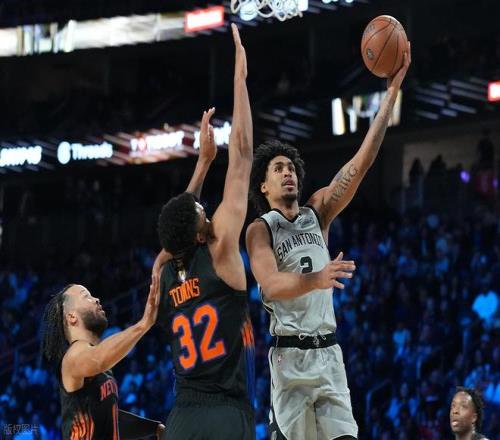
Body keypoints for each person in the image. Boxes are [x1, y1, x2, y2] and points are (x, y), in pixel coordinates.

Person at [245, 43, 411, 439]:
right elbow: (271, 285)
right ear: (264, 186)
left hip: (329, 356)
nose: (288, 173)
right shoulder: (260, 228)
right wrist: (316, 279)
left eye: (291, 168)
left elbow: (361, 163)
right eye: (278, 169)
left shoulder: (317, 211)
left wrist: (391, 93)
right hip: (289, 359)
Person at [156, 24, 255, 440]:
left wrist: (202, 164)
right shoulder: (221, 248)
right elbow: (244, 156)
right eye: (201, 211)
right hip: (226, 412)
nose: (204, 206)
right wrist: (239, 78)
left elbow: (173, 230)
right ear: (199, 235)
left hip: (183, 415)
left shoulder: (165, 273)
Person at [41, 282, 164, 439]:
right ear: (72, 317)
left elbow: (110, 418)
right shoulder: (72, 356)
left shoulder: (95, 365)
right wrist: (143, 324)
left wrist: (154, 428)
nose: (96, 299)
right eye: (86, 297)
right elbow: (99, 359)